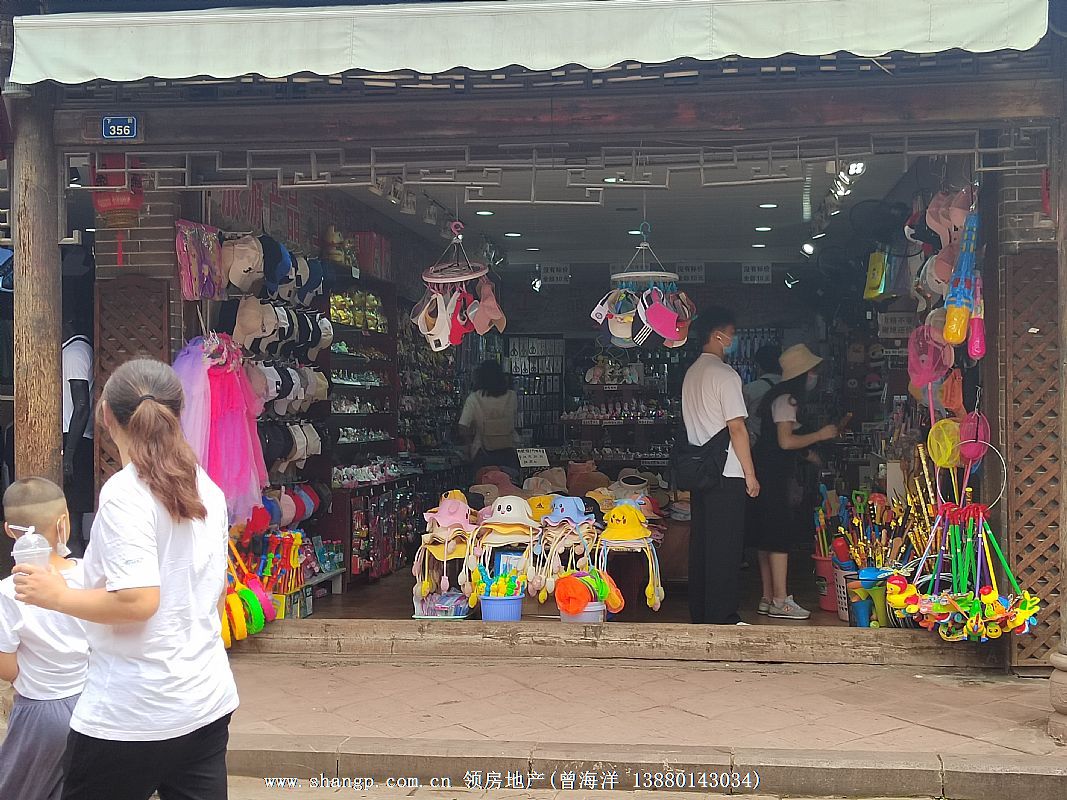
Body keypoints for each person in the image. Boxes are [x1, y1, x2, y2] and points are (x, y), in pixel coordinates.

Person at [13, 358, 239, 800]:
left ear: (106, 416)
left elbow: (138, 601)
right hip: (204, 702)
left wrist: (54, 594)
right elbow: (211, 592)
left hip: (133, 713)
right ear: (179, 411)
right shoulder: (204, 487)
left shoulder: (126, 493)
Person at [0, 478, 89, 800]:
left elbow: (6, 667)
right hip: (94, 701)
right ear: (64, 522)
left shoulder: (8, 591)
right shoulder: (90, 575)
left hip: (40, 710)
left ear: (9, 530)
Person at [681, 306, 760, 626]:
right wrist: (751, 474)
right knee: (725, 547)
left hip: (700, 470)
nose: (733, 340)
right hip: (727, 471)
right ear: (718, 336)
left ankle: (700, 611)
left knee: (702, 544)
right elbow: (737, 428)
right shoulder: (725, 375)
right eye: (731, 334)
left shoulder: (692, 373)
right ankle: (722, 615)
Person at [749, 344, 840, 620]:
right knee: (779, 535)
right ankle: (780, 600)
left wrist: (809, 454)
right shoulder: (787, 400)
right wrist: (821, 435)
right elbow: (785, 441)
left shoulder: (776, 397)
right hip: (775, 476)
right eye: (813, 371)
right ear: (803, 374)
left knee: (766, 536)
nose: (815, 376)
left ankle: (767, 597)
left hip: (765, 471)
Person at [62, 321, 94, 555]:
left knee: (72, 518)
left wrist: (69, 454)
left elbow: (81, 405)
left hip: (75, 438)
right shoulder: (74, 349)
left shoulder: (75, 352)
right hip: (75, 437)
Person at [458, 359, 520, 474]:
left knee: (484, 482)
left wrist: (469, 444)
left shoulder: (474, 398)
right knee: (510, 481)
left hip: (482, 453)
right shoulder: (512, 396)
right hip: (508, 450)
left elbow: (463, 426)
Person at [742, 344, 781, 443]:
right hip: (783, 441)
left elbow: (740, 419)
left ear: (758, 366)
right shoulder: (789, 387)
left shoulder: (750, 389)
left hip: (757, 442)